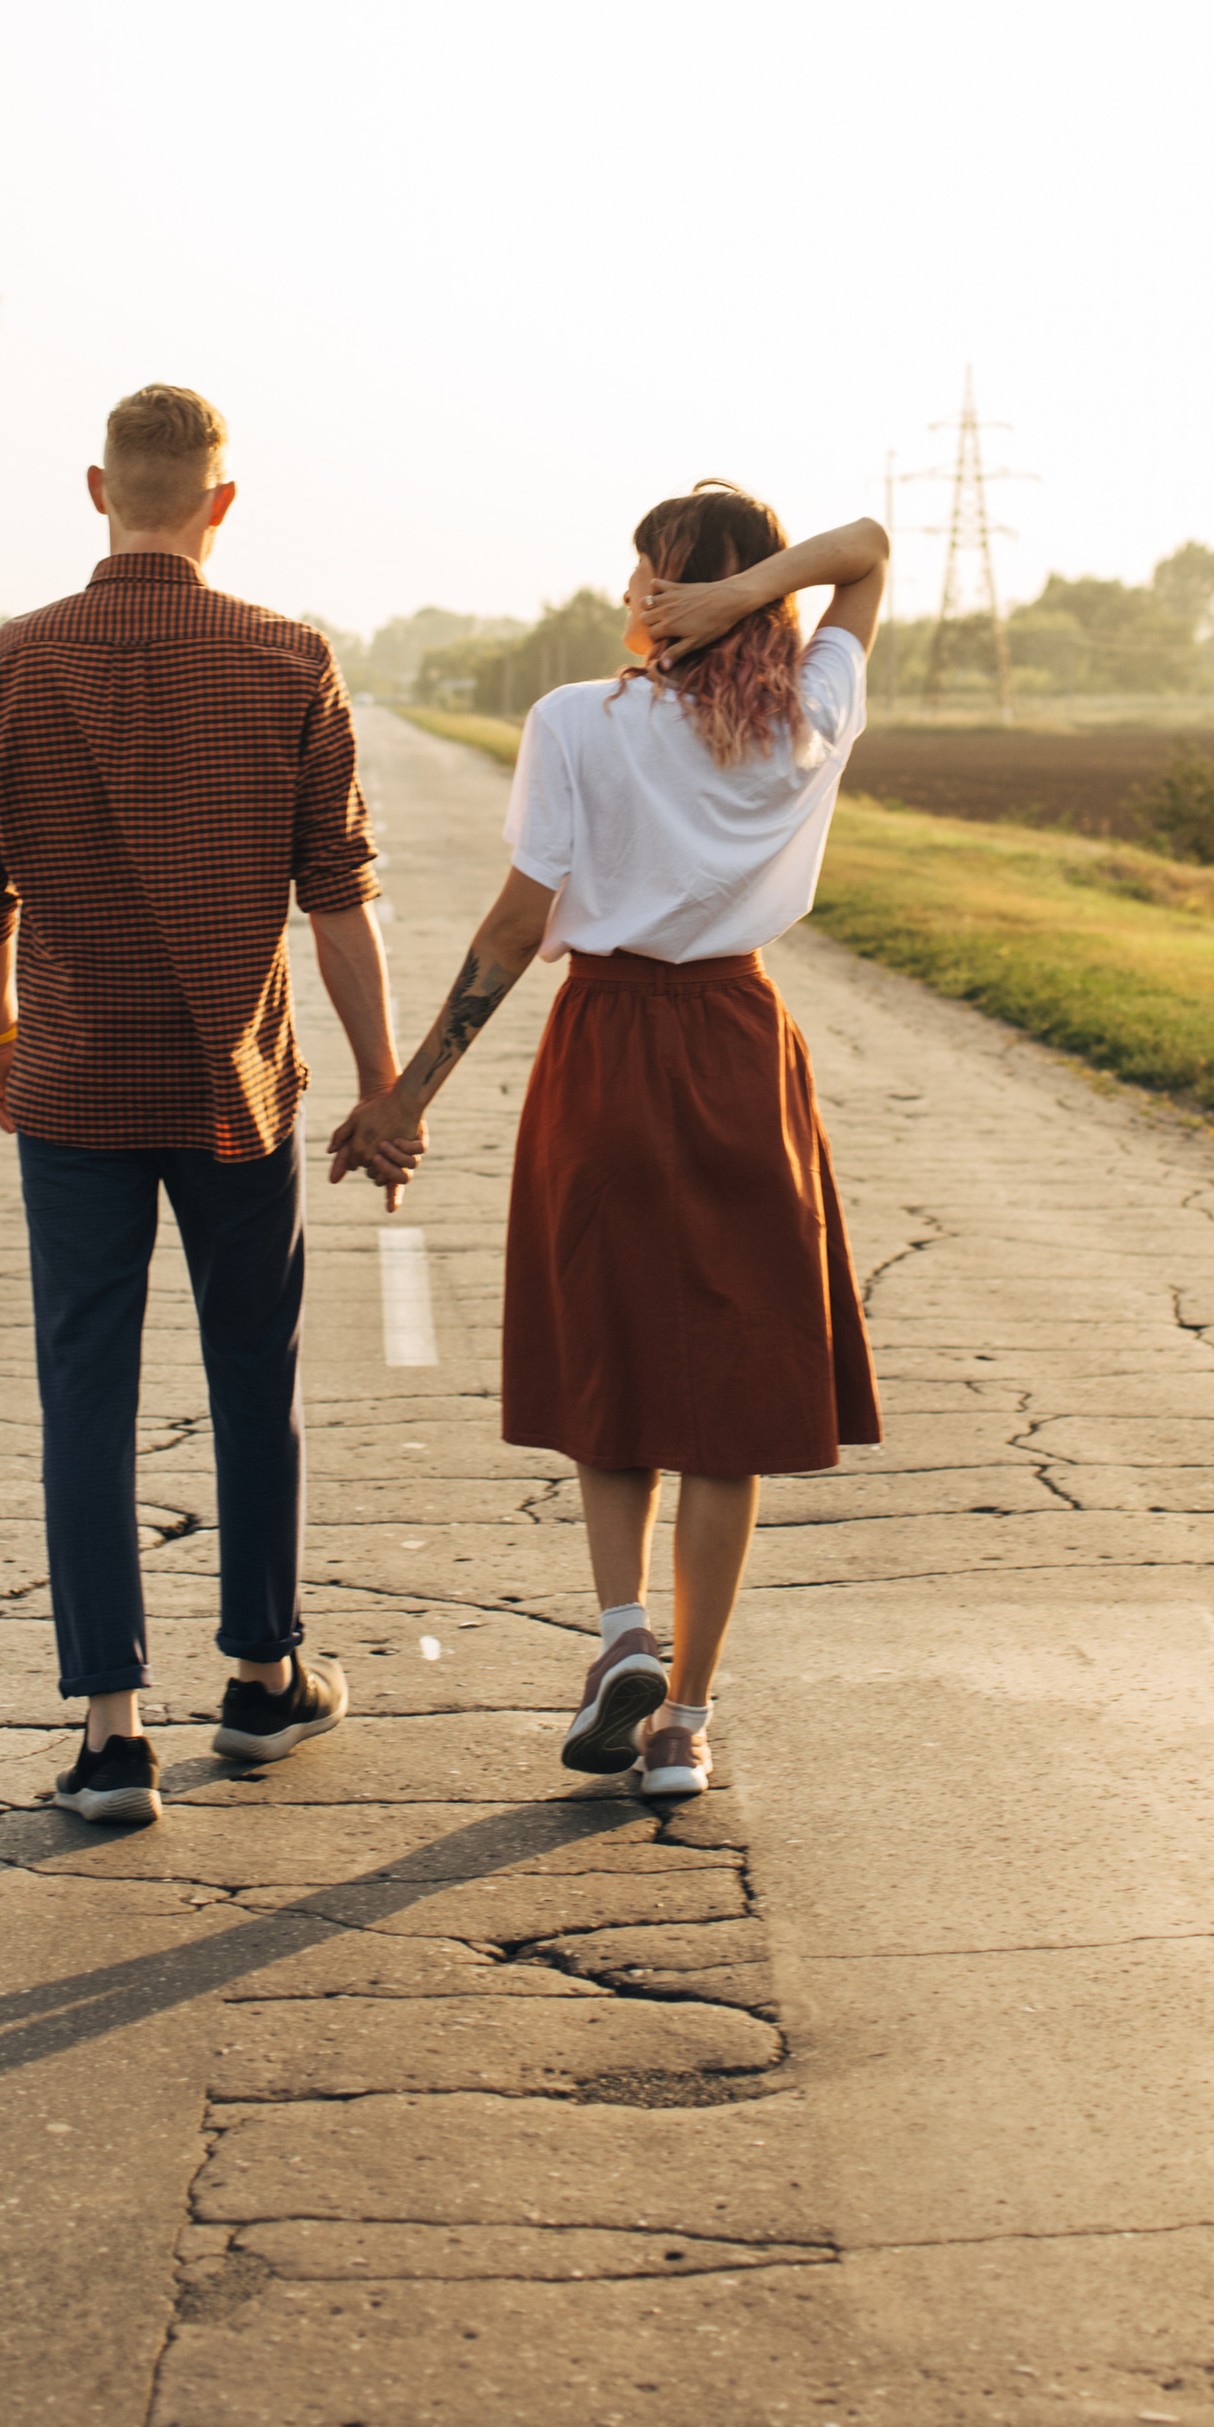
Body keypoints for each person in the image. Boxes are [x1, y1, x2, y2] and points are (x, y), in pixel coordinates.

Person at [333, 486, 887, 1802]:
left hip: (606, 1050)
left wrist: (406, 1097)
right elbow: (866, 551)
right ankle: (685, 1723)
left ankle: (621, 1636)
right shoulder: (810, 718)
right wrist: (752, 591)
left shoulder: (577, 722)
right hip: (741, 1050)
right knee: (729, 1405)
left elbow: (518, 928)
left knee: (613, 1353)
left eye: (646, 575)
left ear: (658, 593)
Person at [0, 383, 405, 1828]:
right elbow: (338, 902)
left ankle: (111, 1734)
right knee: (254, 1377)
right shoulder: (287, 659)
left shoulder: (8, 665)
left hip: (72, 1082)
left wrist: (0, 1034)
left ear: (96, 490)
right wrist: (387, 1085)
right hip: (235, 1091)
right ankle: (262, 1679)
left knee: (87, 1390)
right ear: (222, 500)